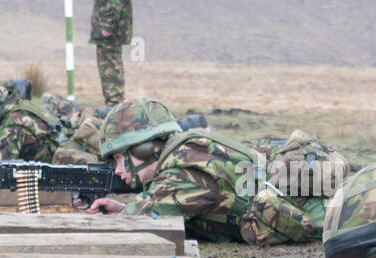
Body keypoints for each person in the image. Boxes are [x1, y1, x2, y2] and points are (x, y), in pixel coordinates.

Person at [87, 97, 345, 245]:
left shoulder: (185, 167)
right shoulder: (187, 152)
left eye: (122, 158)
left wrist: (108, 220)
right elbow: (167, 209)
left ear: (145, 148)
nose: (120, 170)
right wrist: (122, 209)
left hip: (332, 217)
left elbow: (142, 224)